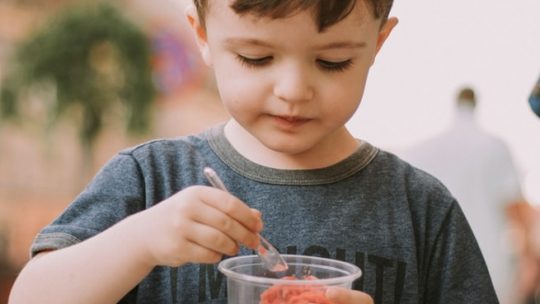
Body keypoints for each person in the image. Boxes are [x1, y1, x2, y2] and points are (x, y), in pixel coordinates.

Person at [9, 1, 498, 303]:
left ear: (378, 43)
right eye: (256, 57)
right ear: (201, 34)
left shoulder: (422, 210)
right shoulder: (151, 179)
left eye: (332, 61)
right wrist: (140, 242)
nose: (293, 89)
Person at [398, 87, 523, 304]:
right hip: (490, 262)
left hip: (432, 264)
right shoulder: (494, 147)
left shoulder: (422, 150)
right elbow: (516, 213)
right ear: (476, 104)